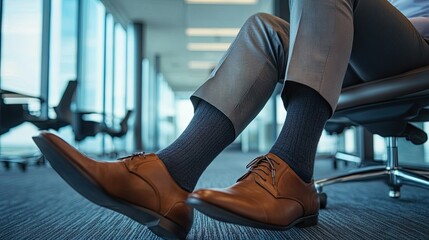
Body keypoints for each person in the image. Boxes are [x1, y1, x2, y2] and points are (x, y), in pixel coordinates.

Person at [33, 0, 429, 239]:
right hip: (359, 44)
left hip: (418, 46)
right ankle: (167, 178)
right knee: (264, 28)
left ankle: (292, 169)